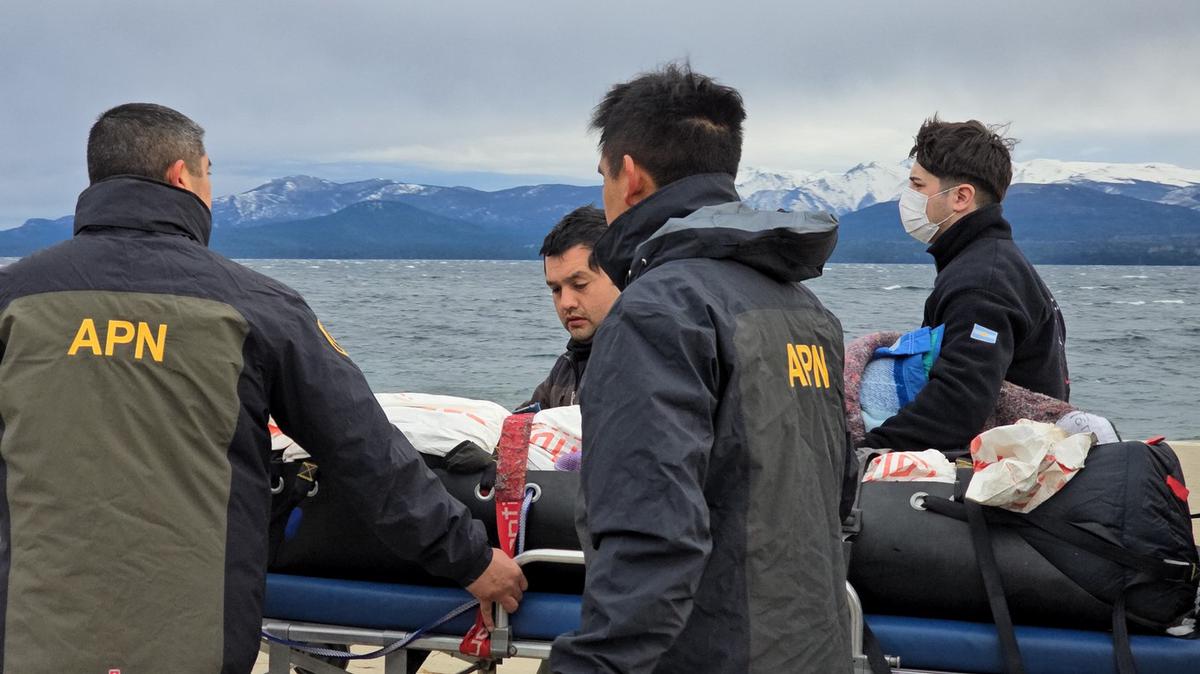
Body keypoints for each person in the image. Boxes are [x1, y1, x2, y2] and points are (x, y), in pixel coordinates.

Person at [0, 103, 525, 674]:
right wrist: (469, 557)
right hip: (193, 639)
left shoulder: (14, 299)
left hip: (27, 633)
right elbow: (366, 453)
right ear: (182, 176)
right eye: (208, 174)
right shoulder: (257, 307)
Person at [550, 65, 851, 673]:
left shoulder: (658, 311)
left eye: (603, 177)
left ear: (629, 176)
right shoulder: (805, 310)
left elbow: (652, 538)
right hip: (812, 650)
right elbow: (835, 497)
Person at [861, 117, 1069, 453]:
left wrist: (865, 450)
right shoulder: (993, 263)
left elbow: (958, 405)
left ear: (960, 197)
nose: (908, 197)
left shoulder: (981, 283)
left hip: (1001, 473)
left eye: (917, 185)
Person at [523, 205, 618, 409]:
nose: (566, 303)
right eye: (556, 289)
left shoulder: (645, 364)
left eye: (579, 285)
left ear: (619, 275)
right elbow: (519, 427)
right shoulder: (567, 367)